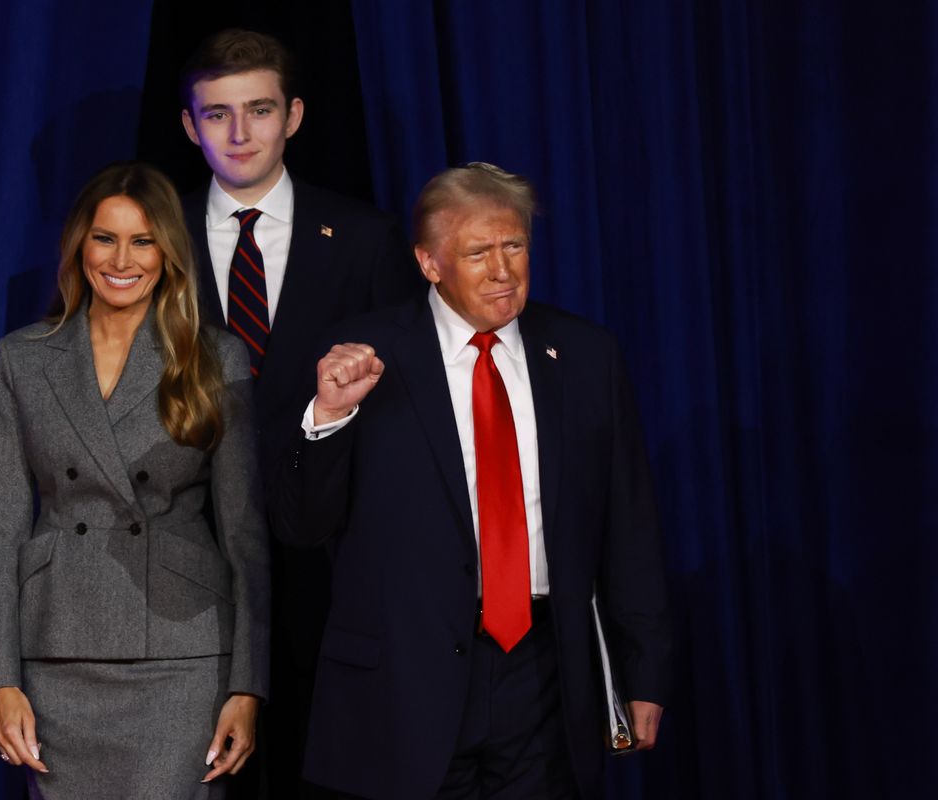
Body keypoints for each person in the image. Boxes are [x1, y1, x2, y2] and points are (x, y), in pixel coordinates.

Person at [271, 163, 673, 799]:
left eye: (514, 246)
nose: (503, 270)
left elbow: (629, 526)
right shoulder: (360, 355)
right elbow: (301, 525)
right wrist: (328, 418)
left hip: (545, 676)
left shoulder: (586, 356)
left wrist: (644, 672)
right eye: (478, 252)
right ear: (429, 263)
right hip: (405, 680)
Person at [0, 161, 270, 799]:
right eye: (105, 237)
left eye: (142, 241)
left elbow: (245, 531)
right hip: (58, 649)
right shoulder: (23, 358)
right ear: (79, 243)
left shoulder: (214, 357)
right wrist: (1, 679)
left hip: (183, 653)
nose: (122, 259)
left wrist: (247, 684)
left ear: (167, 252)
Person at [178, 28, 420, 796]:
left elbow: (402, 410)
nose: (240, 133)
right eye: (217, 115)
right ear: (190, 125)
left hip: (328, 569)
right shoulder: (153, 241)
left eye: (259, 110)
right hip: (188, 571)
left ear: (295, 115)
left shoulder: (365, 237)